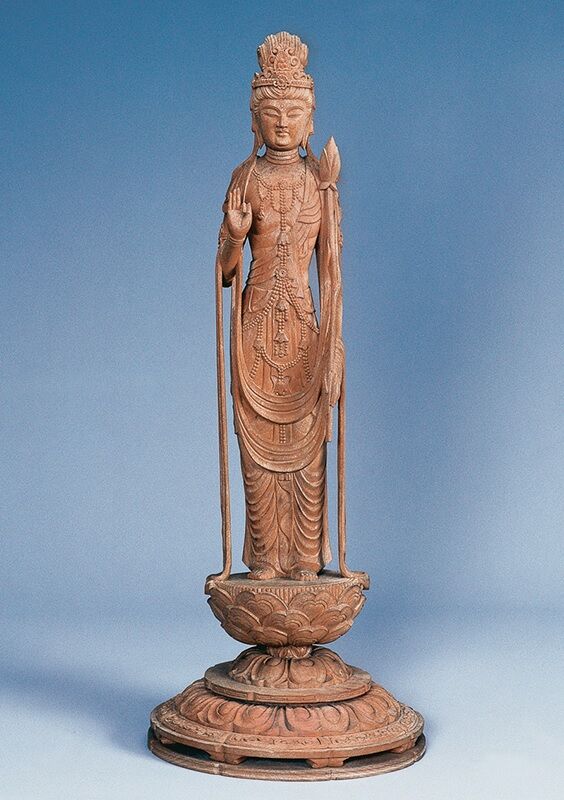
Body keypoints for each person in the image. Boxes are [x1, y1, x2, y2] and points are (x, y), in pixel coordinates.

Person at [217, 32, 344, 581]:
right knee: (257, 452)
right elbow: (225, 273)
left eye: (294, 112)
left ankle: (305, 561)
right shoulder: (244, 179)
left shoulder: (320, 183)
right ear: (255, 120)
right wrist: (233, 234)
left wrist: (335, 343)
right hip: (255, 334)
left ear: (311, 119)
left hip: (306, 334)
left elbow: (331, 273)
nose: (284, 123)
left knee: (309, 453)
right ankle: (267, 560)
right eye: (272, 113)